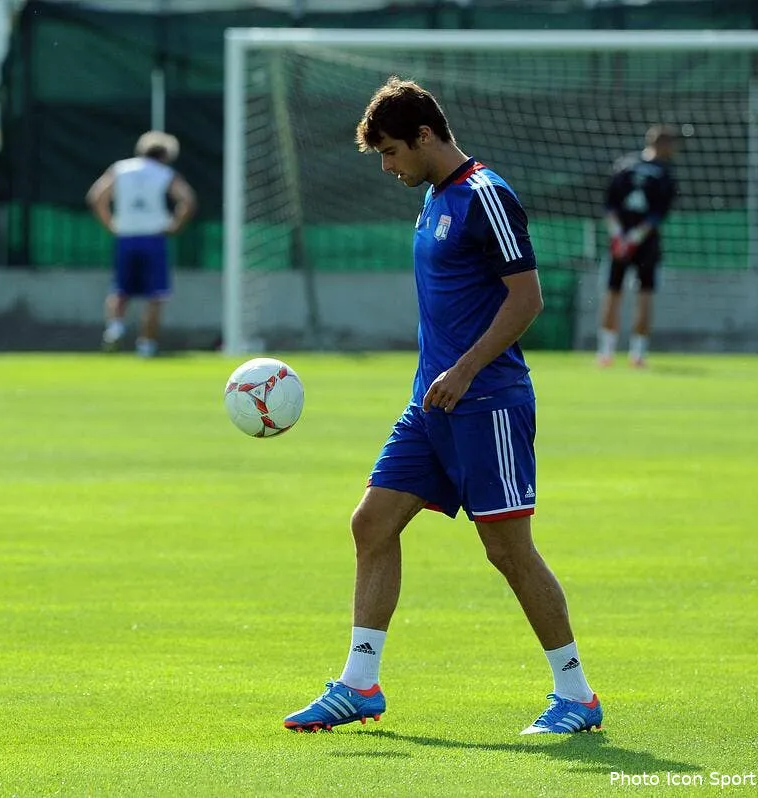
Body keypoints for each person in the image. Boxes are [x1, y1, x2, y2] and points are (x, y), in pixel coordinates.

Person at [283, 77, 602, 736]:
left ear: (425, 136)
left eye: (392, 152)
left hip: (486, 402)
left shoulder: (487, 196)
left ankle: (577, 695)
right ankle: (359, 684)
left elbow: (527, 300)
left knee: (509, 552)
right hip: (430, 404)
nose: (387, 167)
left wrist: (464, 368)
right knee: (371, 524)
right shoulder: (432, 197)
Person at [86, 131, 197, 358]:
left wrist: (110, 223)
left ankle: (115, 328)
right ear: (166, 154)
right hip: (153, 237)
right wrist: (175, 225)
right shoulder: (165, 172)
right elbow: (187, 200)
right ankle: (146, 346)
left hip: (125, 235)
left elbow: (97, 196)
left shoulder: (120, 168)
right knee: (155, 295)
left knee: (119, 289)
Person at [597, 125, 679, 367]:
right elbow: (658, 214)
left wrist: (619, 237)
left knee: (613, 292)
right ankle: (638, 355)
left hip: (619, 239)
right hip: (645, 242)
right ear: (662, 144)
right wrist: (634, 238)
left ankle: (605, 353)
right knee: (644, 294)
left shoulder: (623, 164)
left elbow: (608, 206)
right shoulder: (665, 173)